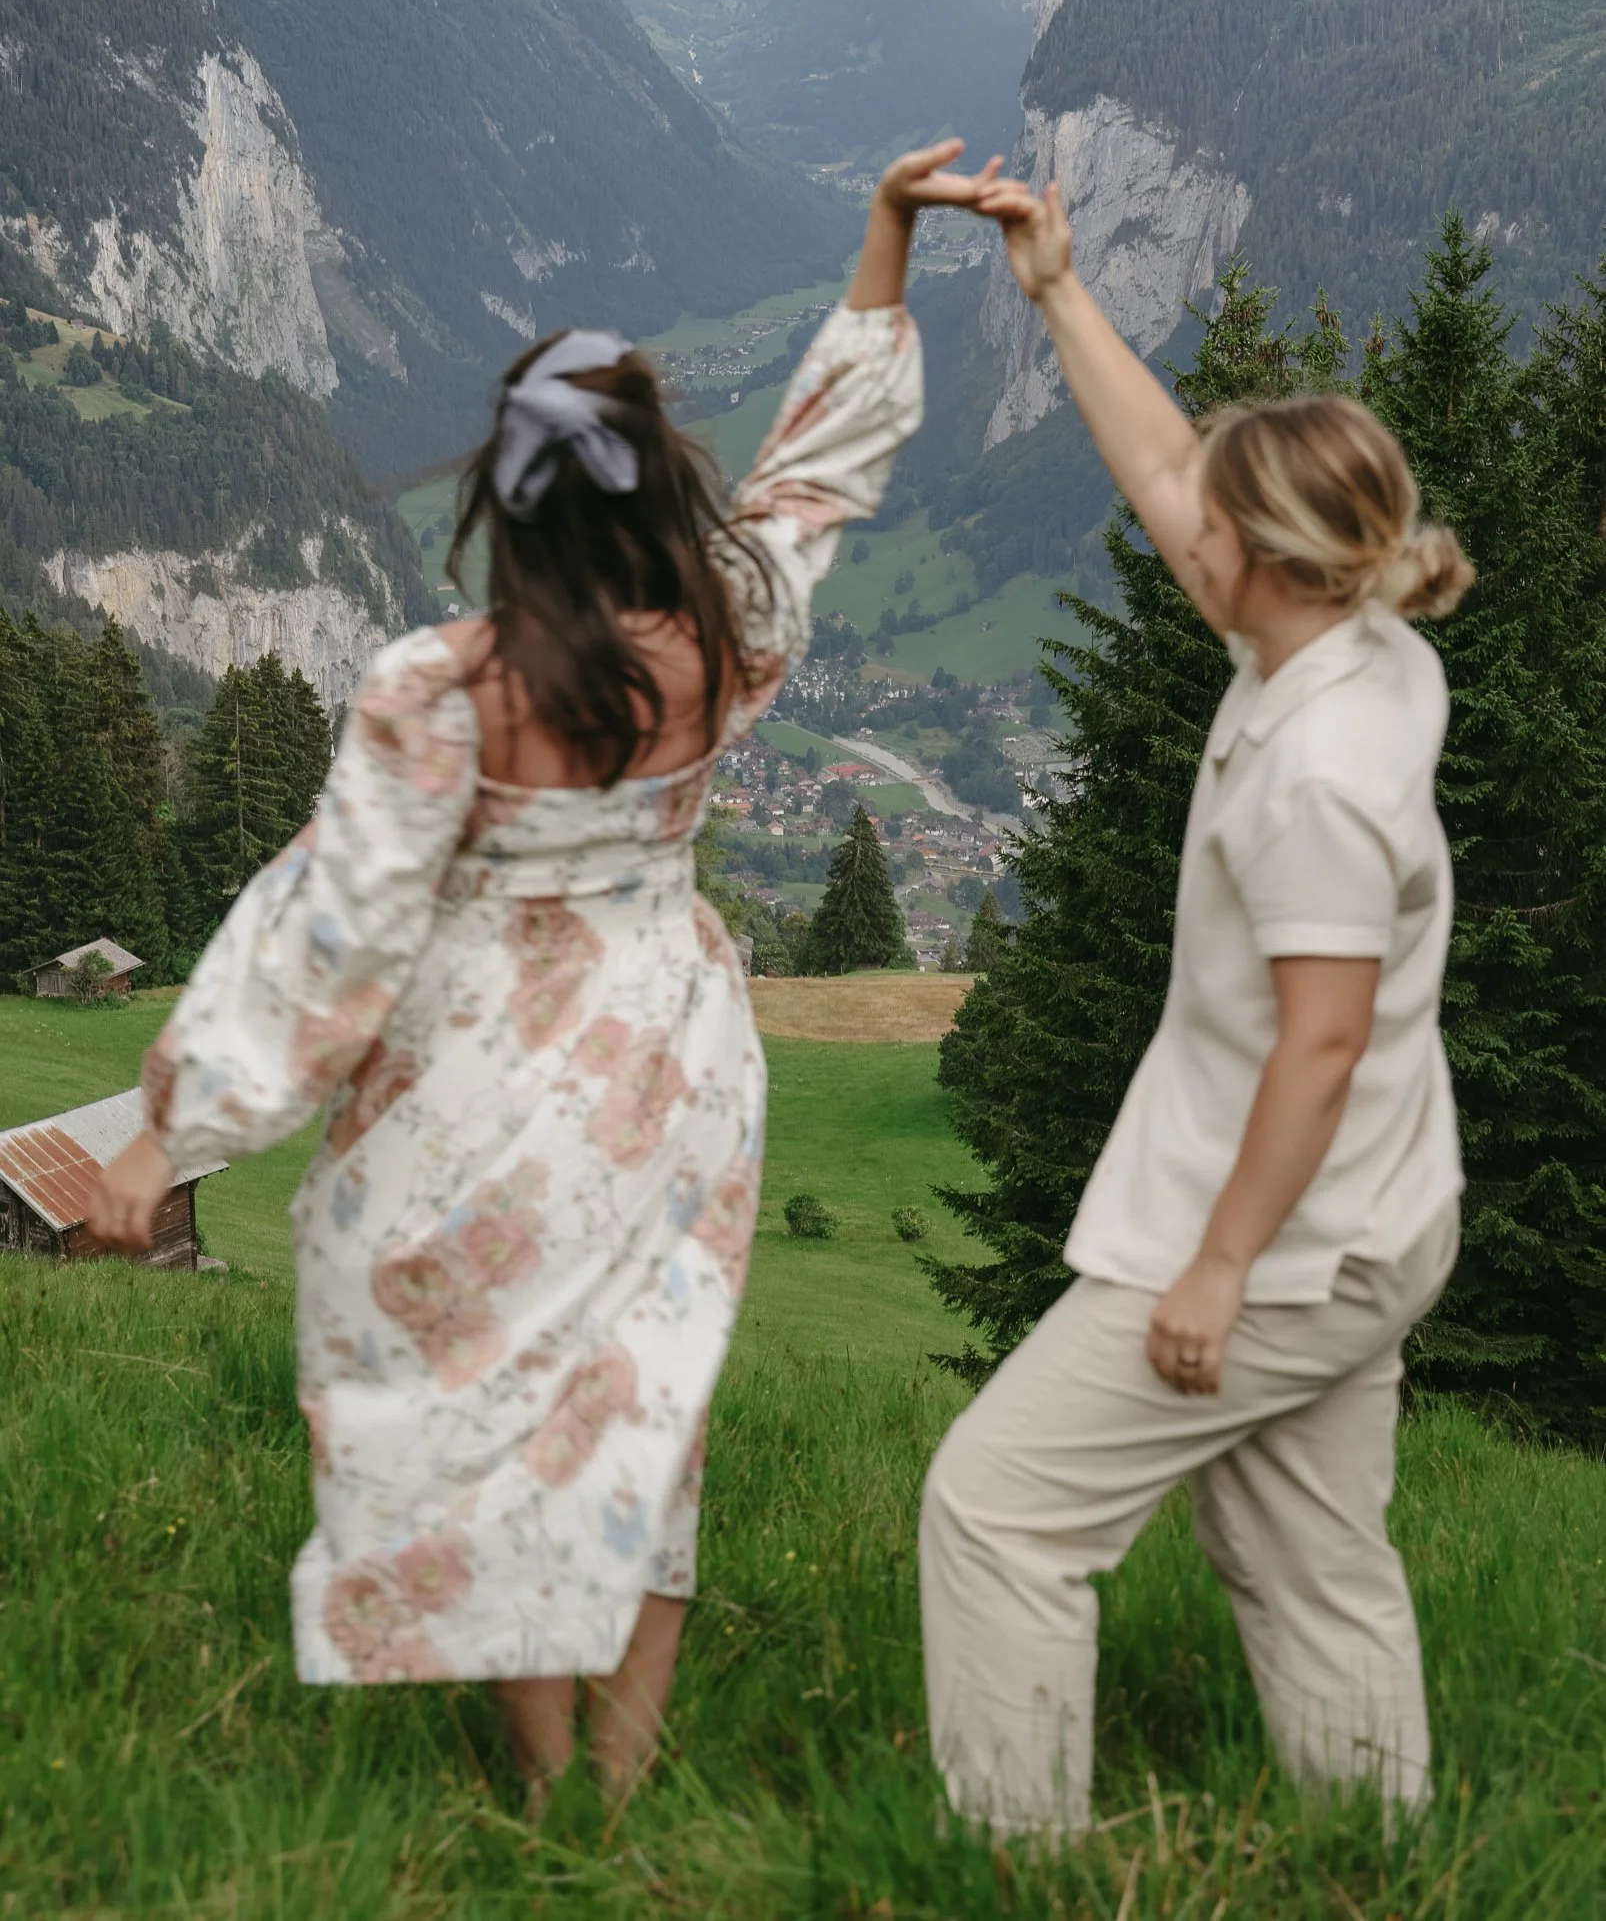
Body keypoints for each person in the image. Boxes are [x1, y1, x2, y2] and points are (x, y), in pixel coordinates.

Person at [87, 138, 1002, 1808]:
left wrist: (171, 1135)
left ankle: (536, 1770)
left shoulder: (445, 691)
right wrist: (883, 240)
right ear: (659, 489)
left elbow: (333, 928)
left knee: (493, 1402)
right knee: (637, 1413)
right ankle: (621, 1792)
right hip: (665, 1065)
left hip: (481, 1078)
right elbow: (817, 474)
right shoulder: (727, 628)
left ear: (501, 503)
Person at [920, 175, 1473, 1840]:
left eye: (1212, 533)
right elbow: (1171, 478)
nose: (1184, 541)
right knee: (1303, 1550)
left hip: (1285, 1238)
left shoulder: (1318, 773)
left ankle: (1015, 1856)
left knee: (999, 1509)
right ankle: (1376, 1851)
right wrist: (1057, 288)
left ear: (1269, 560)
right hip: (1380, 1206)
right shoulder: (1356, 640)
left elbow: (1320, 1040)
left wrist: (1217, 1268)